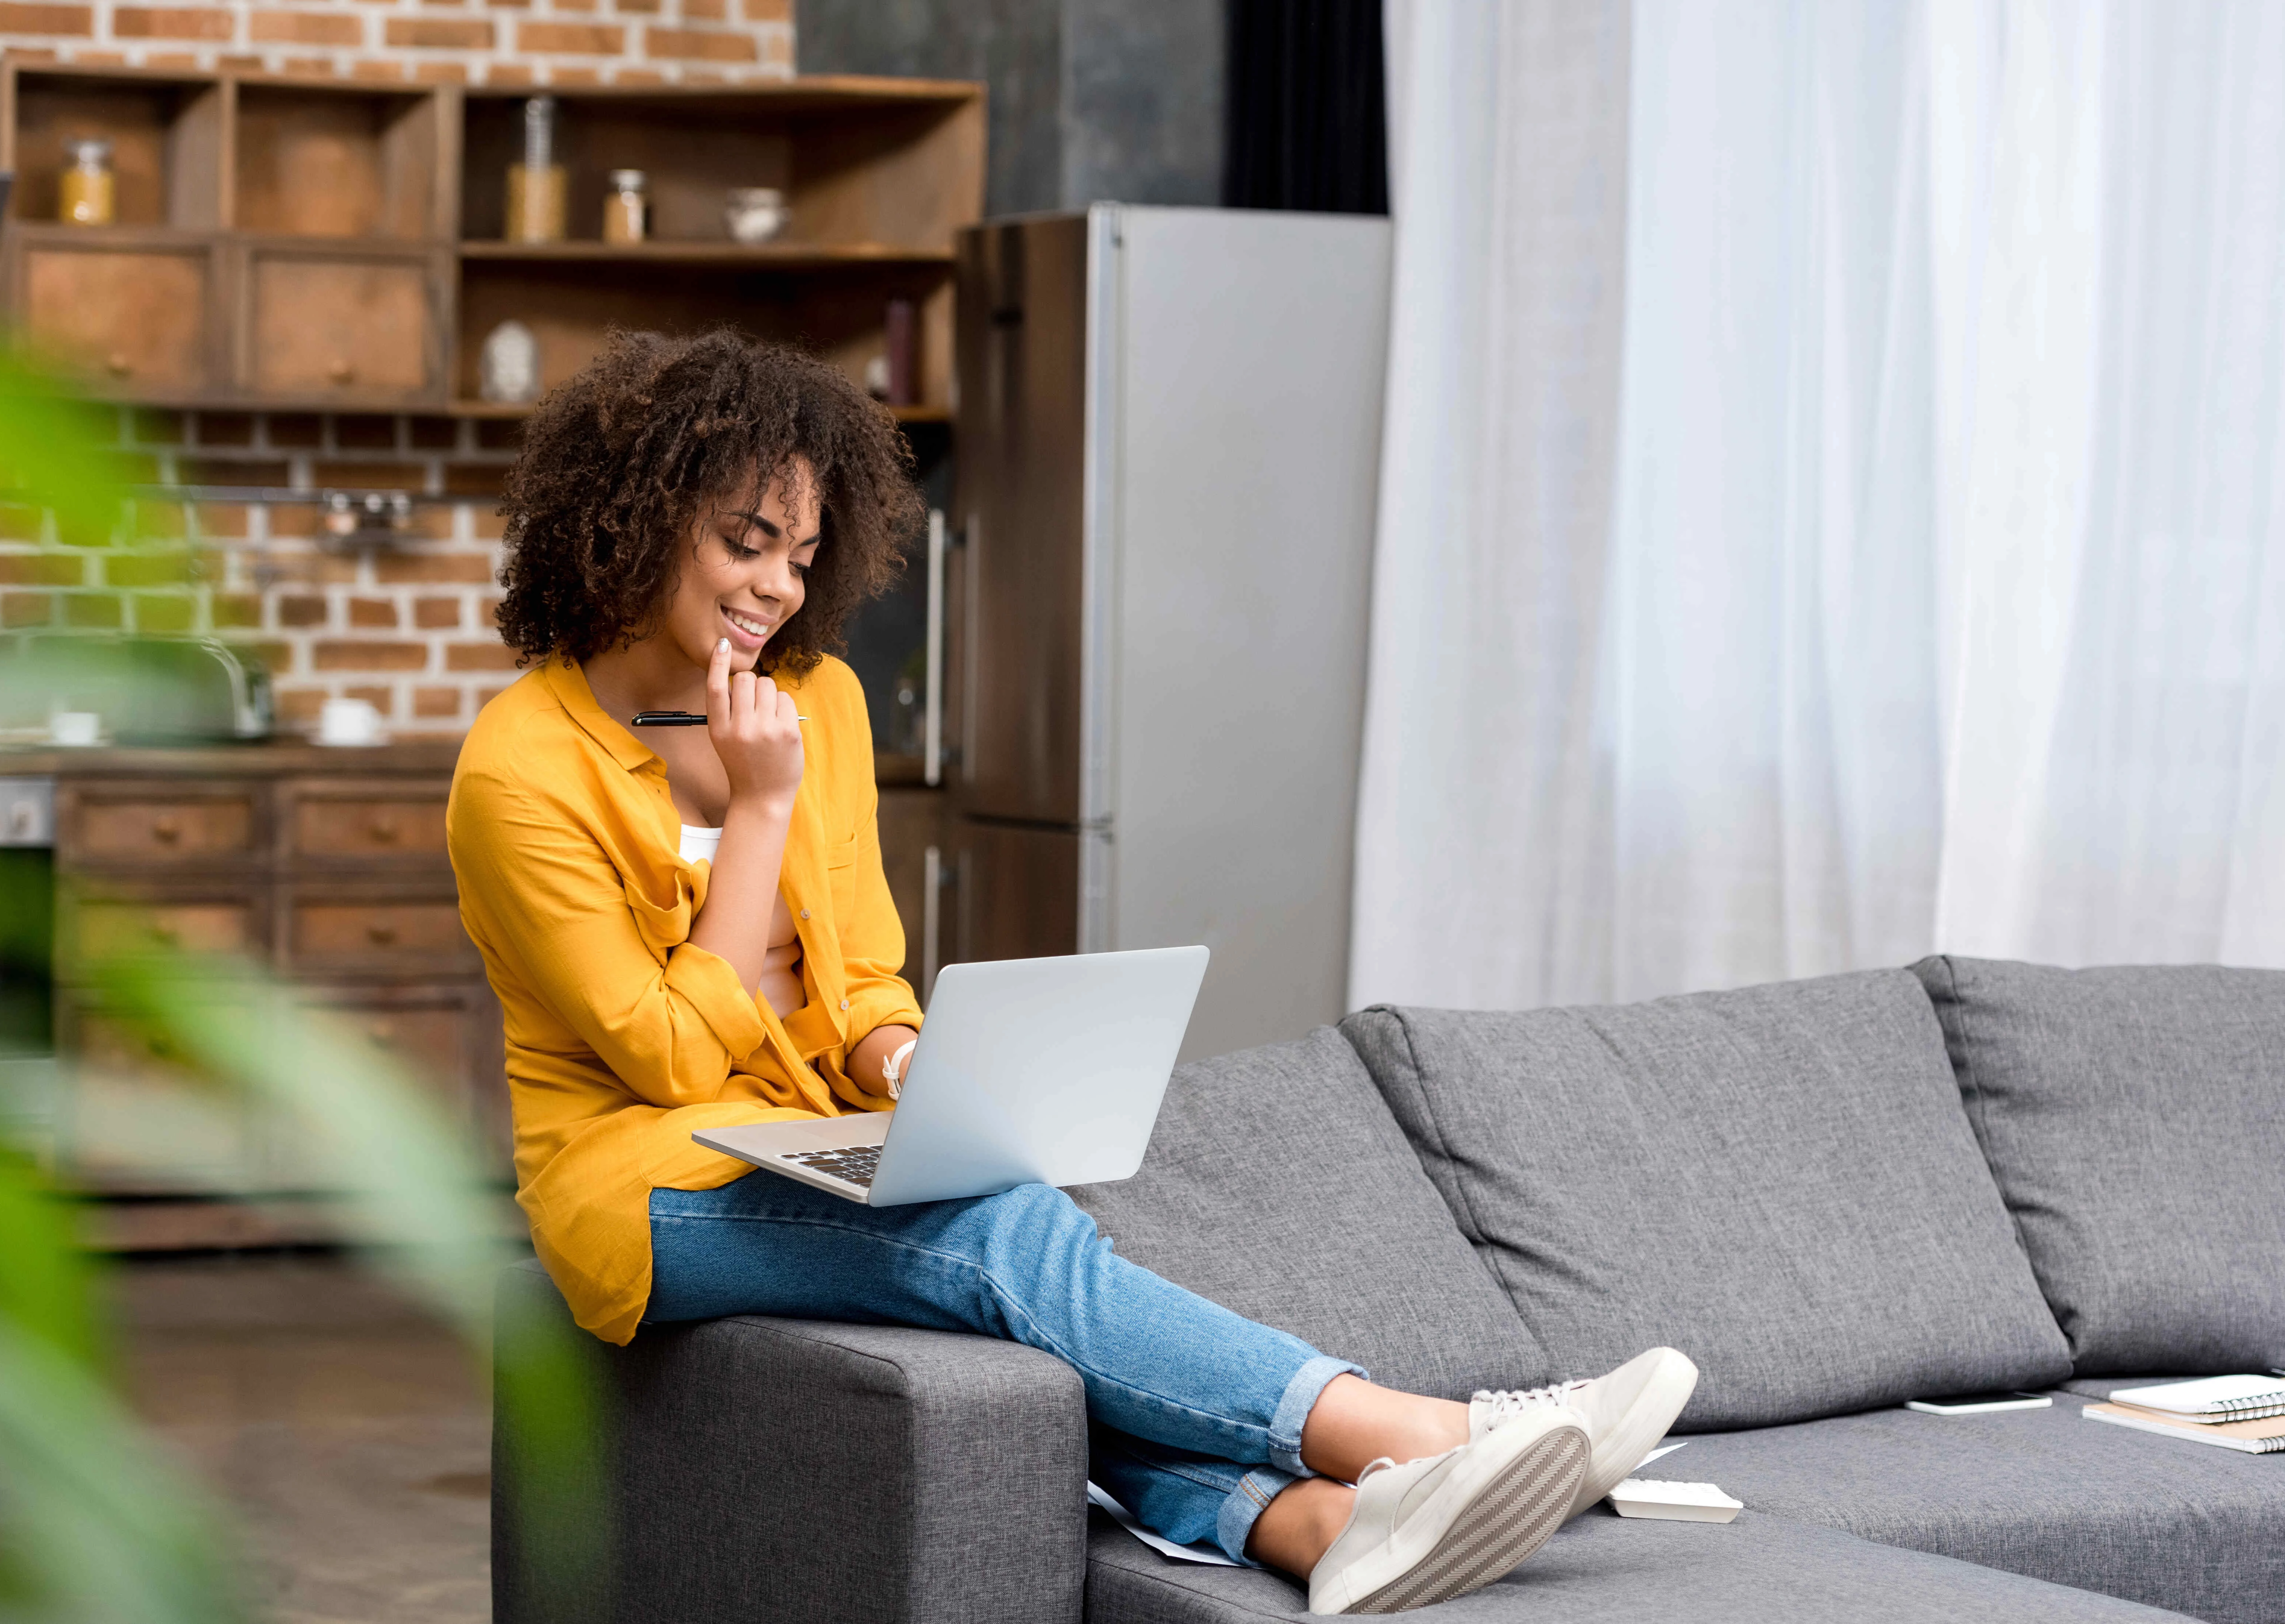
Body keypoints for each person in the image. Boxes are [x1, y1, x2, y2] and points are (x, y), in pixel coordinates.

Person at [445, 330, 1697, 1614]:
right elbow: (664, 1056)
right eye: (745, 541)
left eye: (803, 557)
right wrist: (759, 811)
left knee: (1026, 1267)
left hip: (813, 1133)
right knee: (993, 1242)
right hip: (633, 1189)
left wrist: (915, 1068)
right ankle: (1425, 1437)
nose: (775, 588)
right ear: (634, 522)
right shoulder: (522, 768)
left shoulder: (820, 699)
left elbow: (867, 973)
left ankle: (1312, 1528)